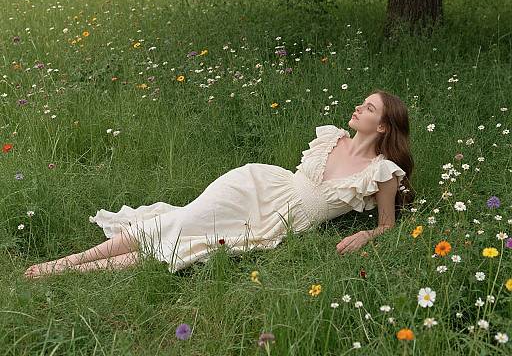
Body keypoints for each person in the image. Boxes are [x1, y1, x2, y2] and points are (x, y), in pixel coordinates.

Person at [24, 89, 414, 278]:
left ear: (382, 126)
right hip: (257, 183)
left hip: (279, 219)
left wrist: (367, 236)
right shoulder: (332, 137)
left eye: (368, 108)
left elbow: (386, 224)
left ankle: (63, 270)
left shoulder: (381, 172)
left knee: (185, 243)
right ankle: (61, 265)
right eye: (361, 103)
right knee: (179, 224)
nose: (358, 108)